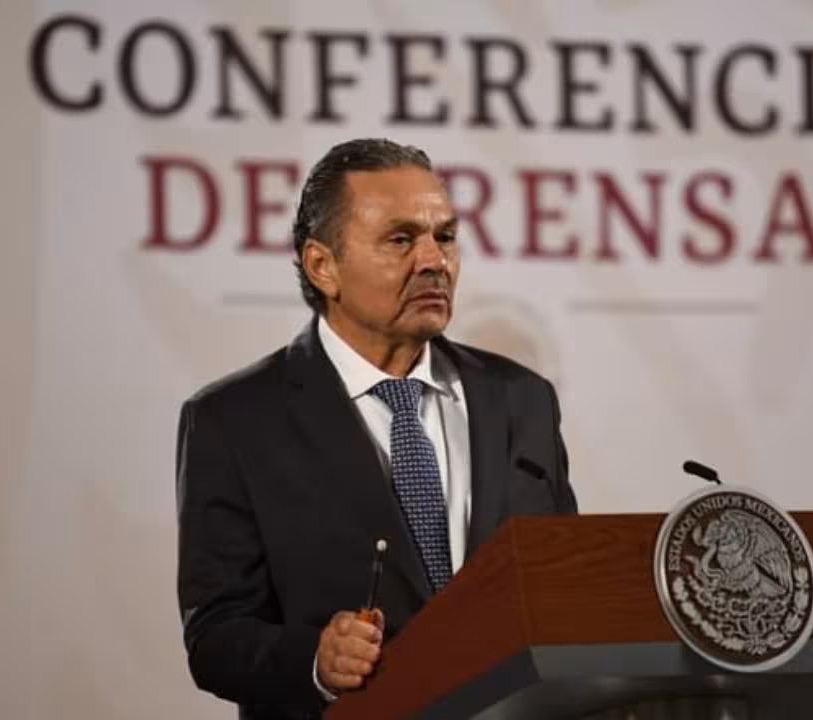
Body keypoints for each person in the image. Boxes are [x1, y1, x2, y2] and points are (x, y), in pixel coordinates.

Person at [175, 138, 577, 719]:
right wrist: (316, 662)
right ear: (323, 266)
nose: (434, 261)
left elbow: (563, 589)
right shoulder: (234, 420)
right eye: (401, 239)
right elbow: (215, 635)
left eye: (445, 237)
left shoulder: (522, 399)